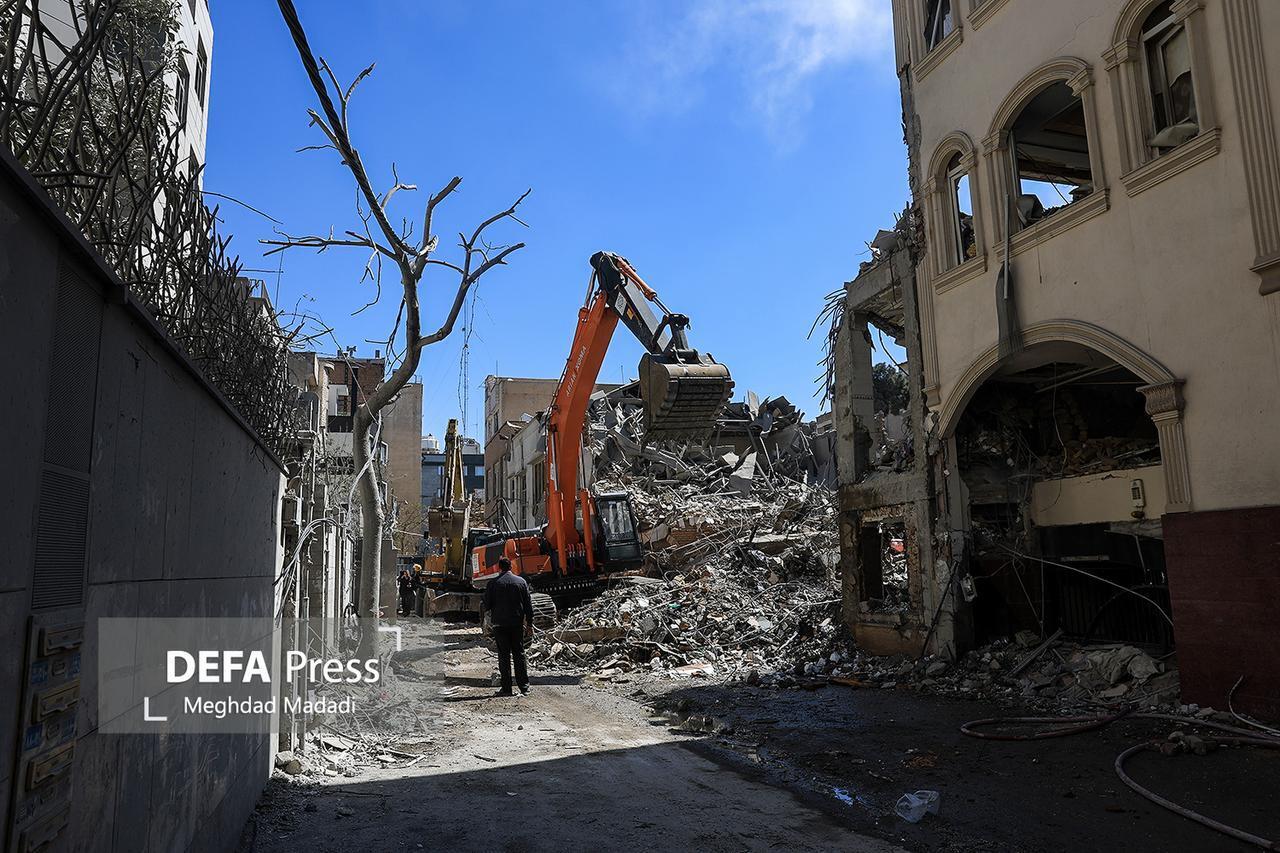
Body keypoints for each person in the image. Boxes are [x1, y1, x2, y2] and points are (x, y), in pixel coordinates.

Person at [481, 557, 534, 696]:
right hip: (516, 624)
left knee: (503, 656)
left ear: (499, 568)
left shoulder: (493, 584)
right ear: (511, 567)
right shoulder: (521, 582)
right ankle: (524, 687)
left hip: (500, 625)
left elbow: (487, 605)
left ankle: (507, 688)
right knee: (519, 654)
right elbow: (528, 605)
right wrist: (530, 624)